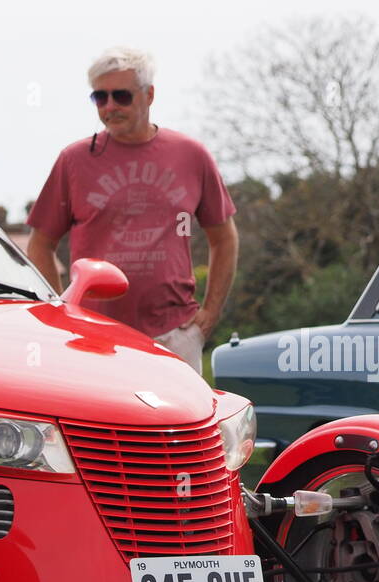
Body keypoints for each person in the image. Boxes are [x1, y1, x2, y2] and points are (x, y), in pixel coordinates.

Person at [26, 46, 238, 372]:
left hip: (174, 334)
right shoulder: (74, 160)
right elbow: (41, 243)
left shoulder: (190, 155)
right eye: (100, 98)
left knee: (178, 423)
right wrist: (62, 311)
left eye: (121, 96)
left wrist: (209, 315)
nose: (110, 107)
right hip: (93, 336)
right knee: (96, 423)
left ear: (149, 95)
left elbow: (224, 238)